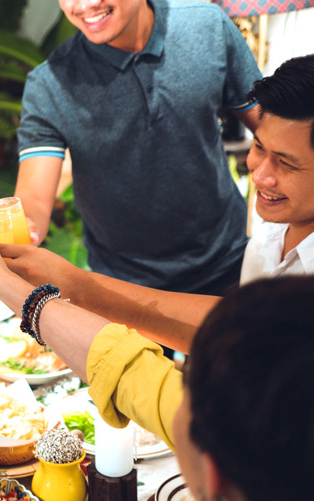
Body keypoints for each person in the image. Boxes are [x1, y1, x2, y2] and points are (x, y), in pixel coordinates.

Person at [0, 223, 314, 501]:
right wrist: (61, 284)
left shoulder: (218, 429)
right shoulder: (261, 436)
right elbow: (128, 368)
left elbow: (128, 369)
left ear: (211, 474)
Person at [2, 54, 314, 354]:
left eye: (287, 164)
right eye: (258, 146)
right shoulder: (268, 237)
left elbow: (246, 330)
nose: (260, 175)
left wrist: (72, 284)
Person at [14, 0, 262, 297]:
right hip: (124, 288)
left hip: (228, 264)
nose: (85, 5)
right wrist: (20, 230)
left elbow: (272, 127)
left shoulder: (206, 25)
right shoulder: (49, 83)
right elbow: (34, 201)